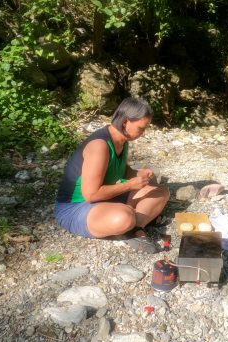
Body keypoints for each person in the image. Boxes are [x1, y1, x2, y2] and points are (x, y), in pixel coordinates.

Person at [54, 96, 170, 253]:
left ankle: (133, 228)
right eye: (141, 128)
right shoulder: (99, 146)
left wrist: (137, 174)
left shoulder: (122, 140)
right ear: (125, 123)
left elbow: (120, 169)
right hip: (77, 208)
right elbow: (91, 195)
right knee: (123, 217)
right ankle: (133, 222)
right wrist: (131, 185)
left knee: (161, 192)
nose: (144, 134)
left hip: (107, 198)